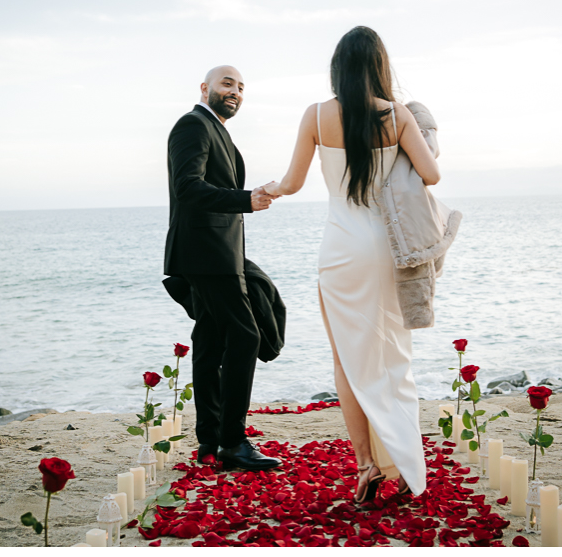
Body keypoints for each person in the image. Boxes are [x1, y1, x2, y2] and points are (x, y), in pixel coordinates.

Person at [262, 28, 440, 502]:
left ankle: (365, 465)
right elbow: (432, 173)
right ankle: (404, 466)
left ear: (337, 67)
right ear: (380, 65)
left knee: (346, 358)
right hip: (386, 248)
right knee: (394, 357)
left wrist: (270, 190)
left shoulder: (316, 116)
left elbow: (293, 182)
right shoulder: (396, 115)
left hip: (340, 250)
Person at [164, 65, 280, 471]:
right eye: (227, 83)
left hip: (218, 253)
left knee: (211, 342)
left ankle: (210, 442)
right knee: (246, 336)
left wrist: (245, 198)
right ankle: (233, 443)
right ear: (205, 88)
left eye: (241, 87)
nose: (235, 91)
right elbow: (188, 188)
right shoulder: (192, 125)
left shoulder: (218, 130)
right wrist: (244, 200)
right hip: (206, 253)